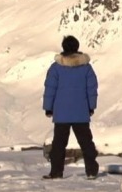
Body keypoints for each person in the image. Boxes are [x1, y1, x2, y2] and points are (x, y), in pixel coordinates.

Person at [42, 35, 100, 179]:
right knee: (86, 143)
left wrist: (48, 108)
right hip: (81, 112)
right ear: (77, 47)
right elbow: (91, 89)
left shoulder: (56, 67)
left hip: (61, 114)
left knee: (59, 145)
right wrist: (91, 107)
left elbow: (50, 89)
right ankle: (91, 171)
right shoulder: (86, 67)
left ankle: (56, 173)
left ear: (63, 47)